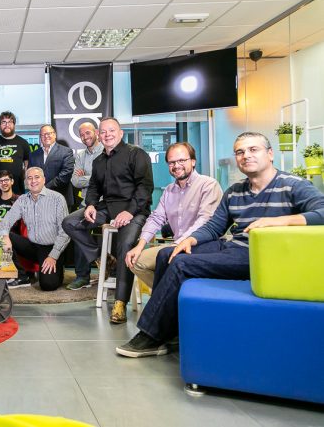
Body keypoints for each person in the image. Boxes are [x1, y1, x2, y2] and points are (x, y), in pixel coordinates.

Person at [117, 132, 324, 358]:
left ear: (270, 154)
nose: (246, 156)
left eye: (253, 149)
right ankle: (170, 330)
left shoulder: (293, 185)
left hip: (260, 256)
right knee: (167, 254)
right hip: (233, 247)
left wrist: (280, 221)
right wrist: (189, 240)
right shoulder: (235, 191)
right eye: (240, 152)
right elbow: (214, 226)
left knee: (181, 264)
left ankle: (151, 335)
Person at [62, 117, 154, 323]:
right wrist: (91, 205)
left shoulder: (136, 154)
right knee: (70, 222)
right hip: (108, 207)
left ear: (120, 133)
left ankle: (120, 303)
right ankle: (103, 258)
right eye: (103, 132)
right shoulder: (98, 161)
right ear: (99, 135)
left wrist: (129, 212)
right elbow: (94, 188)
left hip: (135, 209)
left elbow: (145, 188)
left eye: (111, 131)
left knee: (125, 246)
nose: (107, 135)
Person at [124, 142, 222, 288]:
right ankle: (169, 293)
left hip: (201, 246)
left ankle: (170, 294)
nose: (176, 166)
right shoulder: (169, 191)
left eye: (181, 160)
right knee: (136, 261)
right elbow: (156, 218)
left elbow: (204, 221)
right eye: (172, 162)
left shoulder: (208, 185)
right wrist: (140, 245)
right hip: (175, 246)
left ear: (193, 161)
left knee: (170, 261)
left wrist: (180, 243)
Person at [0, 167, 70, 291]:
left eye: (37, 177)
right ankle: (22, 276)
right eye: (29, 178)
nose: (33, 181)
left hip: (51, 248)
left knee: (48, 285)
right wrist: (5, 236)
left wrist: (53, 256)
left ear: (44, 180)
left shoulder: (57, 199)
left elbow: (65, 231)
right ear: (26, 181)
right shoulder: (22, 200)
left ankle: (58, 269)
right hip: (32, 246)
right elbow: (6, 220)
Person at [66, 122, 104, 290]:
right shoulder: (81, 156)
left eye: (87, 133)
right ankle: (82, 276)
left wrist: (87, 177)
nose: (85, 137)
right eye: (81, 135)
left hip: (105, 204)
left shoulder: (106, 151)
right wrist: (95, 177)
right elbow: (75, 181)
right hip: (86, 203)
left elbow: (106, 179)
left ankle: (112, 269)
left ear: (96, 132)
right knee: (75, 225)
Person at [28, 125, 75, 207]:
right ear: (40, 137)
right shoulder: (33, 155)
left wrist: (44, 188)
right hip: (39, 200)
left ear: (55, 135)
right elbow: (30, 174)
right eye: (43, 134)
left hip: (61, 198)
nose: (46, 136)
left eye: (49, 133)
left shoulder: (66, 151)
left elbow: (66, 174)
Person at [0, 111, 31, 194]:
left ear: (14, 124)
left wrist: (22, 177)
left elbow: (27, 164)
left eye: (10, 122)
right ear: (0, 125)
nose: (7, 125)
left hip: (17, 187)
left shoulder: (23, 143)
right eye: (4, 122)